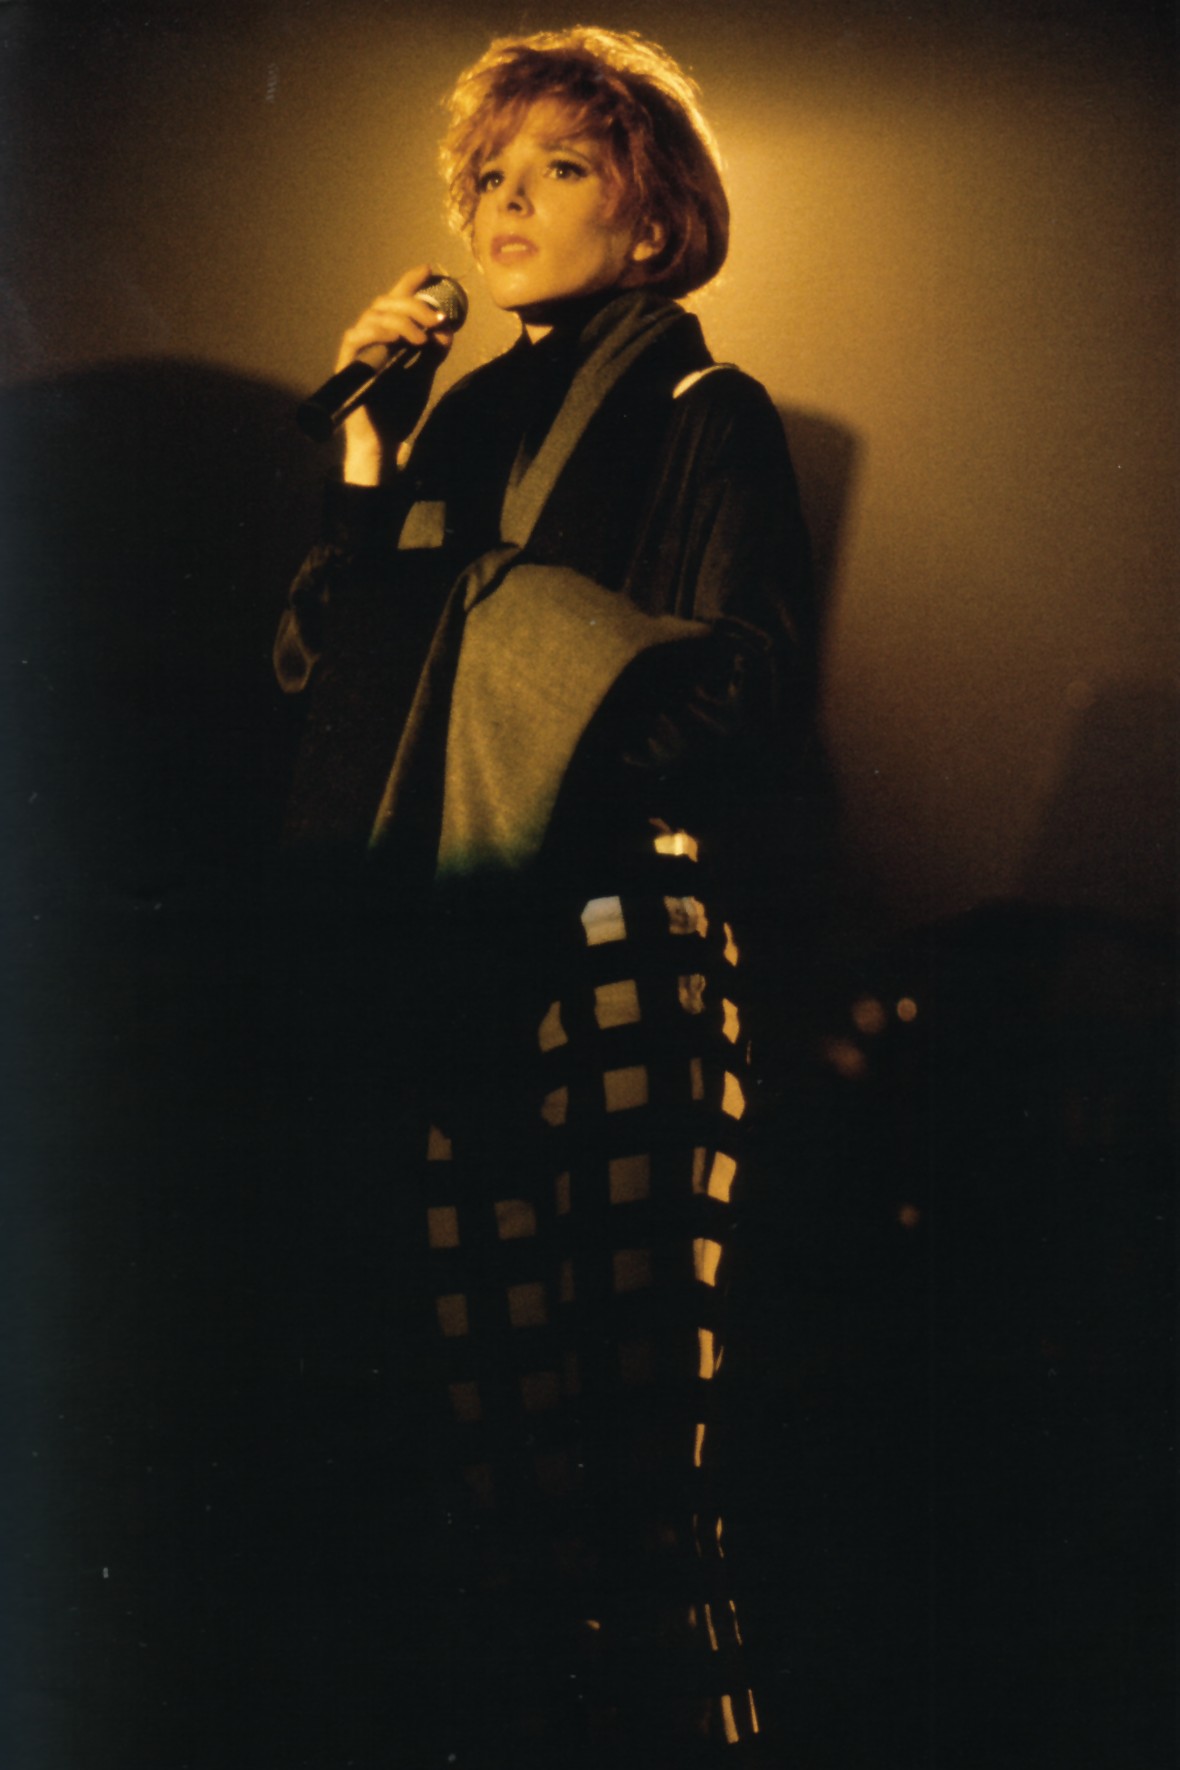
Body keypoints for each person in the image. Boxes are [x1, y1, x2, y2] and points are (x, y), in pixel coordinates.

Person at [272, 26, 812, 1768]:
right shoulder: (458, 422)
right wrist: (368, 455)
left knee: (642, 1458)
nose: (506, 203)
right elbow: (341, 687)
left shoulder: (704, 413)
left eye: (560, 169)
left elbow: (736, 694)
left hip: (625, 929)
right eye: (489, 176)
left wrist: (517, 652)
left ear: (650, 220)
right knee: (497, 1458)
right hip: (467, 953)